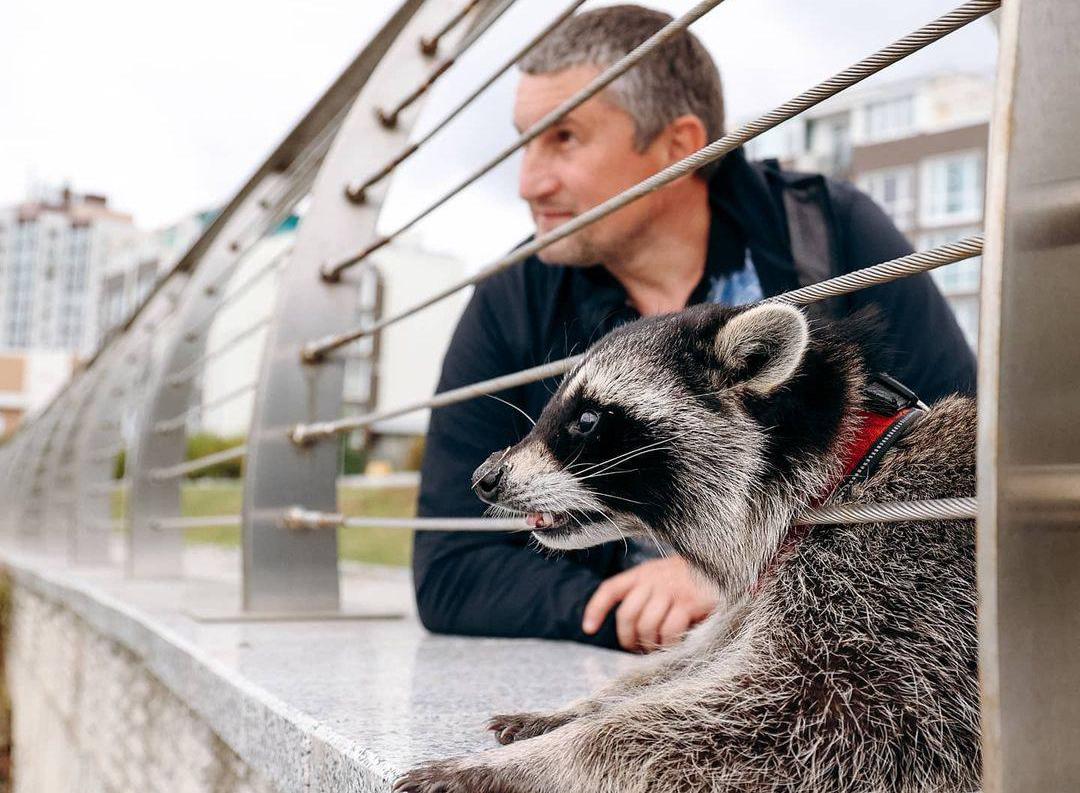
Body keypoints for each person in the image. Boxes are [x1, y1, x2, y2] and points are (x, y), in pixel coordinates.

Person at [412, 4, 976, 654]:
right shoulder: (514, 295)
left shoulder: (834, 232)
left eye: (563, 137)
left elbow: (963, 483)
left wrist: (746, 572)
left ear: (677, 147)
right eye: (524, 140)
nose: (528, 182)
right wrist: (622, 603)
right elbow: (450, 570)